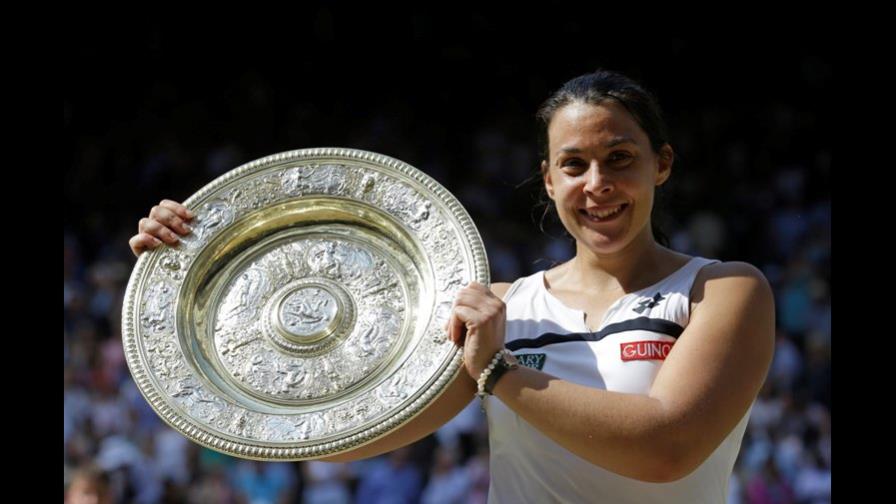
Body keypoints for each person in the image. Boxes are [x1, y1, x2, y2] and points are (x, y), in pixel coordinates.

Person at [129, 68, 775, 503]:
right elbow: (340, 434)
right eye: (573, 165)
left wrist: (498, 373)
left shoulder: (723, 291)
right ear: (549, 181)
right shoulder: (503, 307)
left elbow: (666, 448)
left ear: (661, 165)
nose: (596, 184)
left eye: (621, 159)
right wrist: (187, 273)